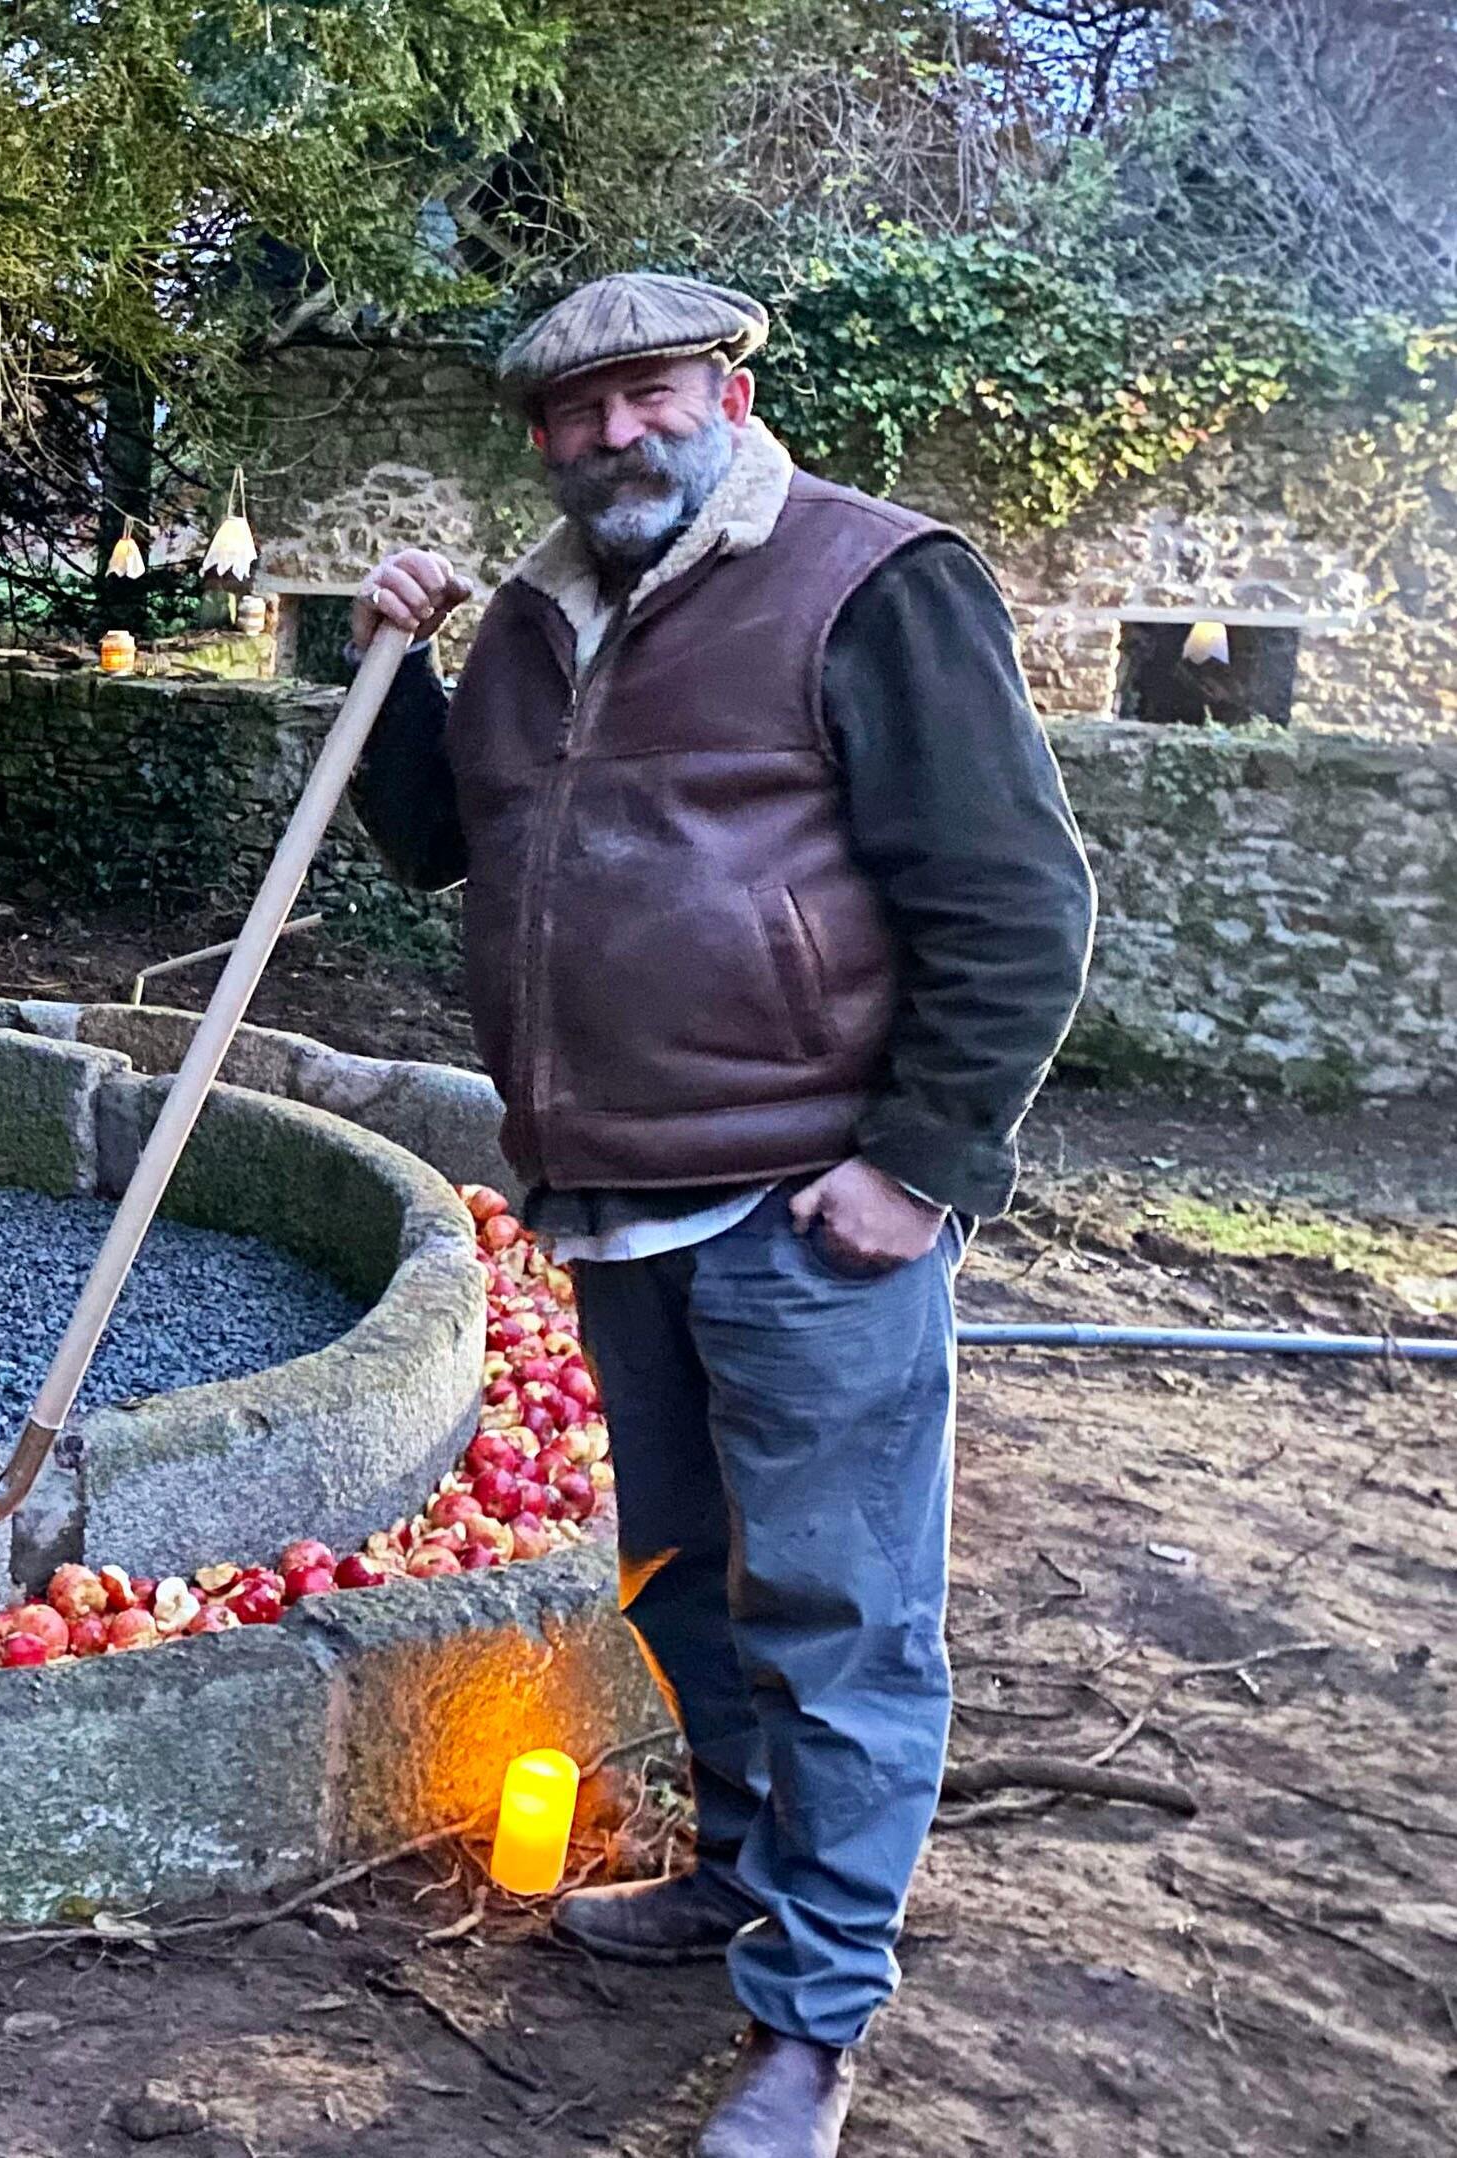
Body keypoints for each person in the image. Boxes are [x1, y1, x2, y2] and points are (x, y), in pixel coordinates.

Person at [344, 273, 1097, 2158]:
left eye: (652, 394)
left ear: (730, 396)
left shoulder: (870, 581)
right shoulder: (532, 621)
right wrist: (387, 674)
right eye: (575, 411)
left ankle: (812, 2022)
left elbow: (1016, 899)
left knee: (838, 1613)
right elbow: (440, 841)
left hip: (805, 1202)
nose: (616, 433)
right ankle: (745, 1875)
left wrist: (919, 1160)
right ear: (540, 439)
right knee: (681, 1574)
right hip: (614, 1200)